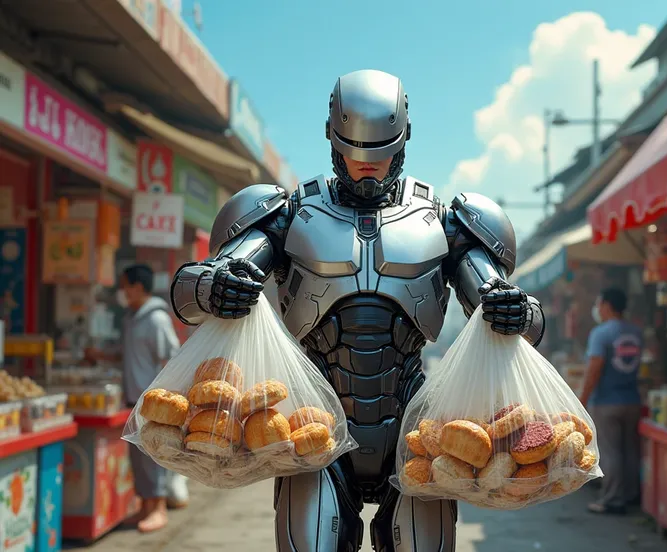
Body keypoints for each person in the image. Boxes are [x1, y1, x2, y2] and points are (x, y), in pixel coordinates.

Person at [170, 69, 546, 551]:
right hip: (313, 424)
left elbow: (515, 313)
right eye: (353, 152)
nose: (366, 166)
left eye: (381, 153)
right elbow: (190, 292)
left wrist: (515, 311)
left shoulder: (444, 221)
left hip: (417, 432)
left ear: (403, 143)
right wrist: (213, 286)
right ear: (333, 140)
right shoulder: (289, 214)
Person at [87, 264, 187, 532]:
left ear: (138, 287)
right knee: (138, 457)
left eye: (125, 285)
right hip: (132, 399)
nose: (121, 291)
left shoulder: (156, 319)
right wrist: (100, 354)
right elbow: (126, 353)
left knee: (152, 456)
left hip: (151, 402)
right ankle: (144, 506)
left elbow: (172, 356)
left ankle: (159, 509)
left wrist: (167, 395)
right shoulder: (131, 318)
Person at [580, 287, 643, 515]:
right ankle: (631, 494)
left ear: (606, 305)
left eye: (598, 303)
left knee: (611, 452)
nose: (597, 308)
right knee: (630, 451)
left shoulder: (601, 333)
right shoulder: (636, 332)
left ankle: (613, 500)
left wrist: (582, 400)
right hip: (632, 400)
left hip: (606, 402)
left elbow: (594, 368)